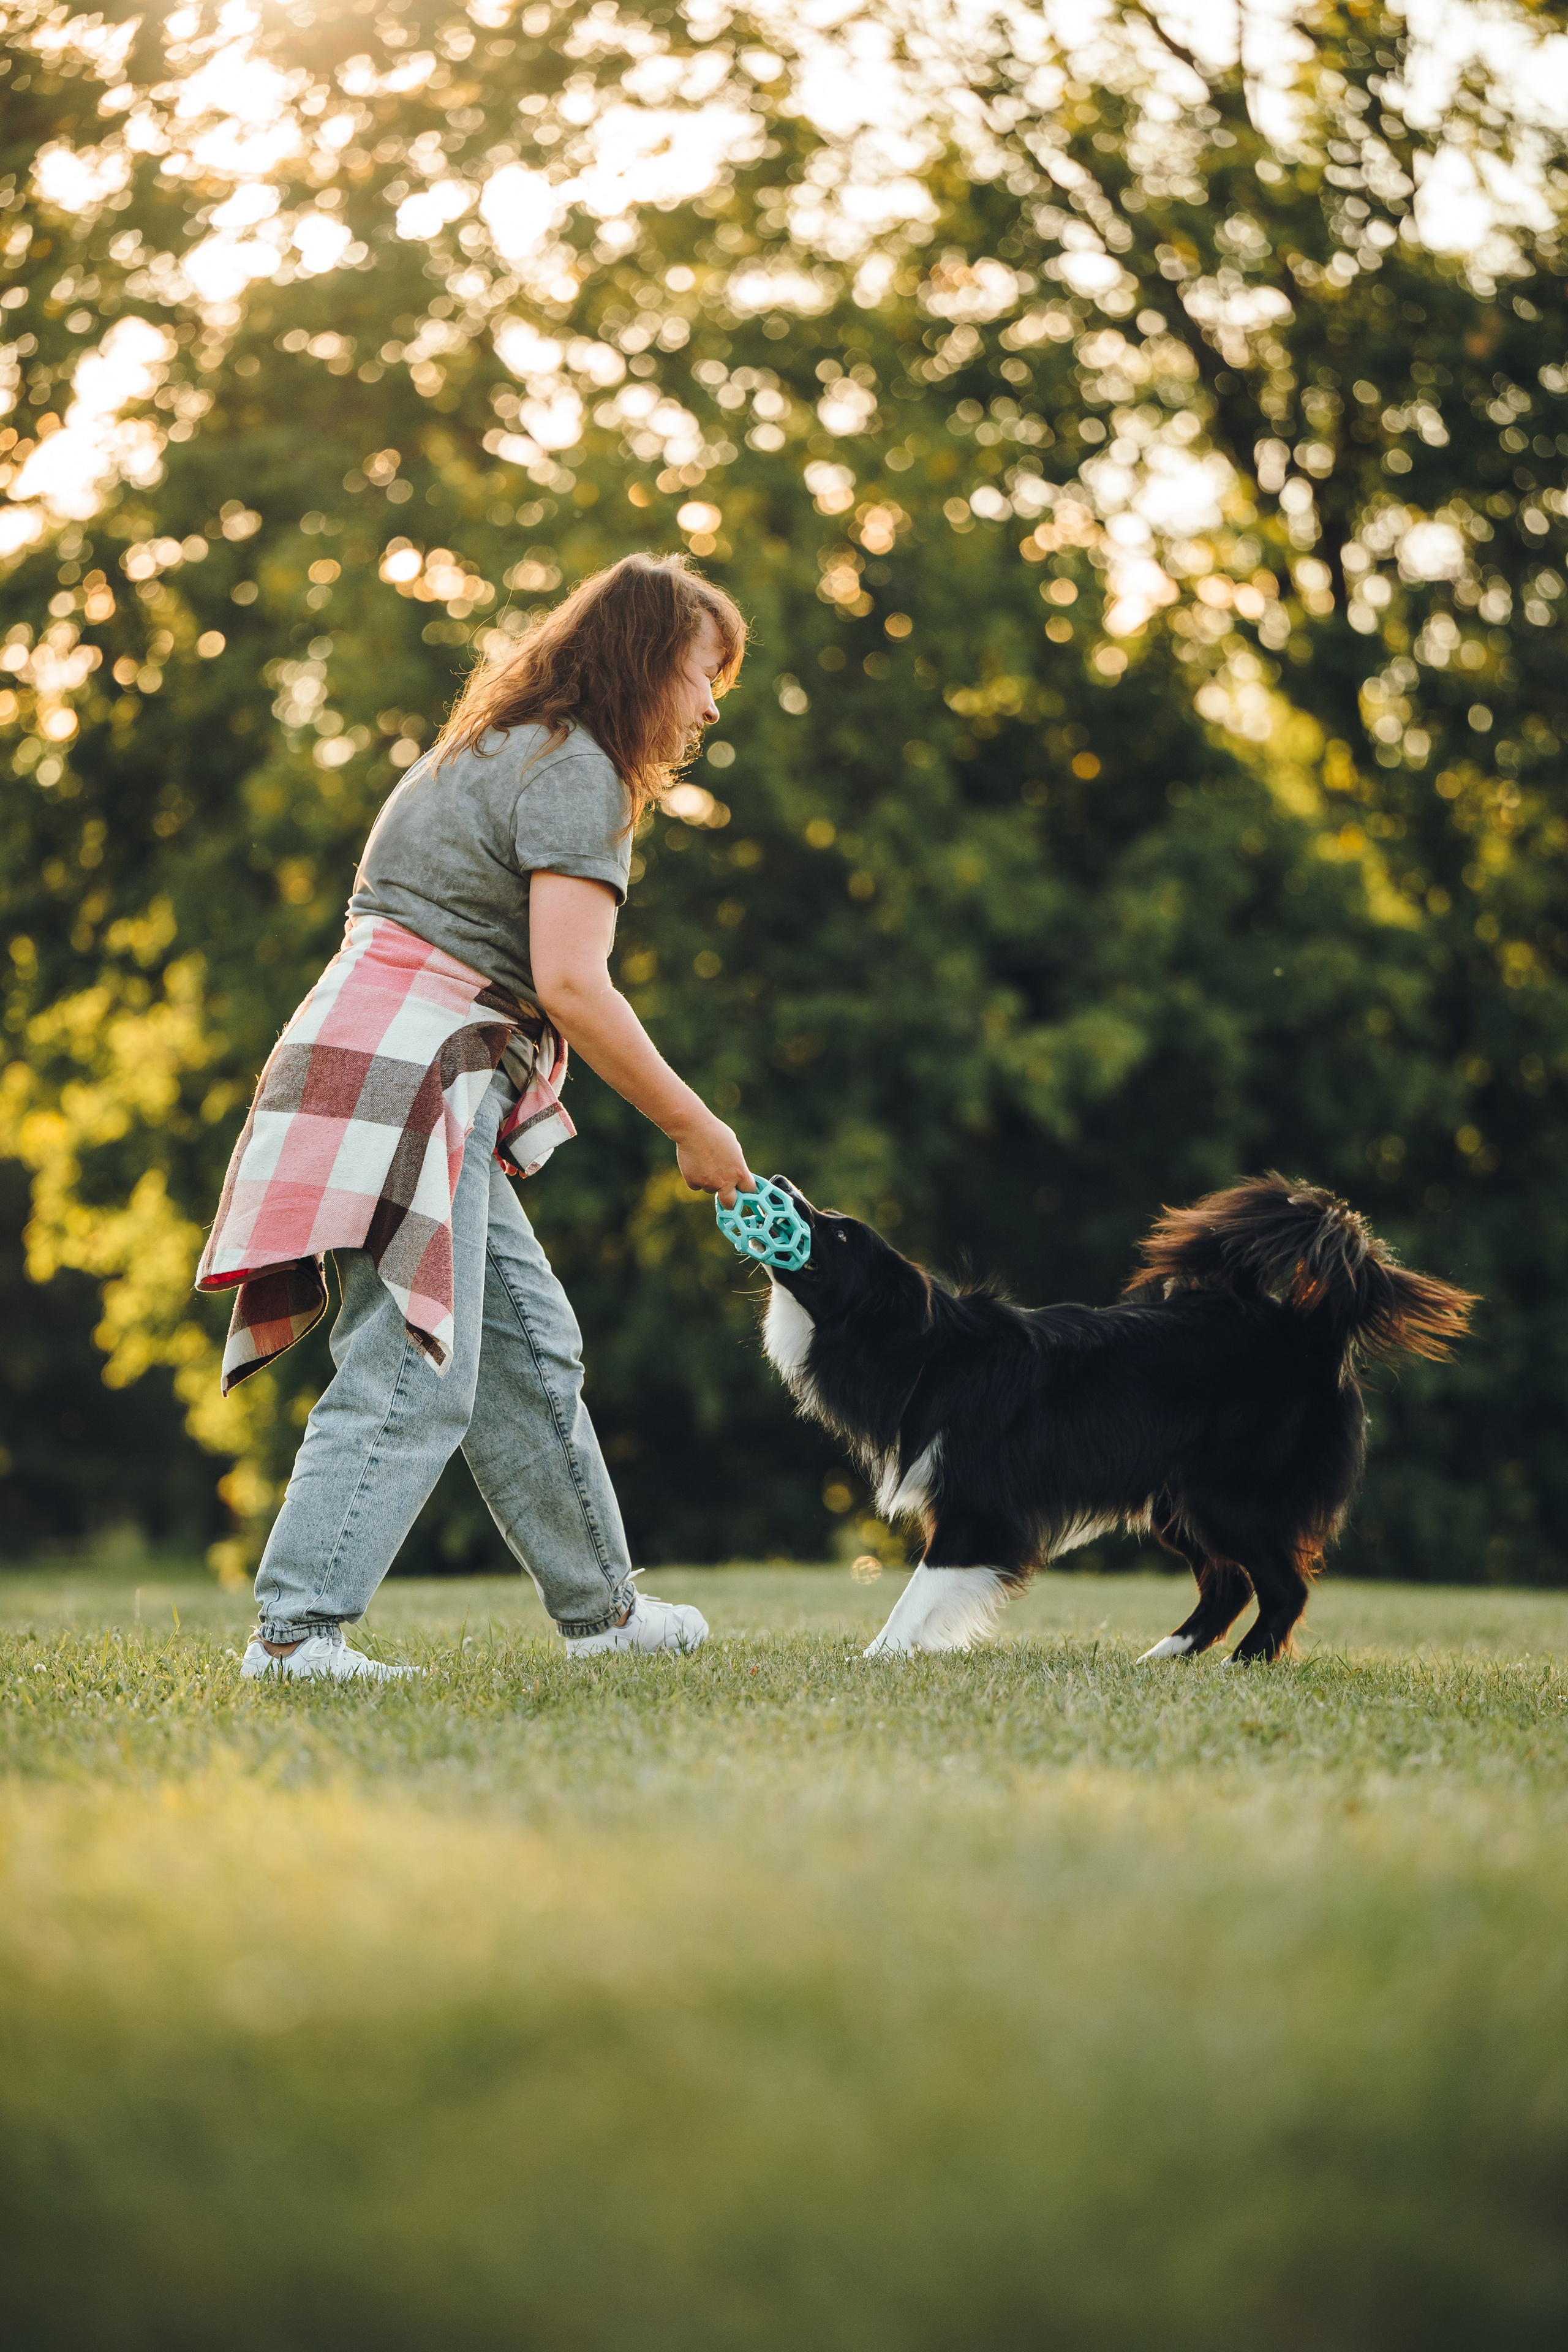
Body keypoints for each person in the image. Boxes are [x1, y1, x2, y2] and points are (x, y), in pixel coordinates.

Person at [197, 553, 754, 1679]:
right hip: (416, 1073)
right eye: (703, 675)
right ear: (646, 661)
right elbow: (573, 984)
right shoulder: (579, 770)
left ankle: (605, 1615)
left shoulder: (496, 744)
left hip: (382, 1062)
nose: (708, 707)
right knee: (414, 1356)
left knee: (525, 1352)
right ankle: (296, 1634)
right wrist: (696, 1126)